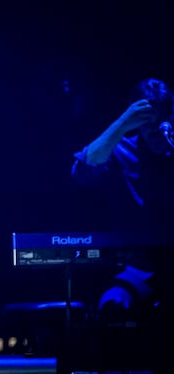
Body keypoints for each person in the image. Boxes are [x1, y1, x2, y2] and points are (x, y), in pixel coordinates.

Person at [71, 77, 174, 372]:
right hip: (136, 269)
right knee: (114, 303)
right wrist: (121, 124)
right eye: (147, 123)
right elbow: (83, 169)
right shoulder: (121, 150)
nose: (155, 131)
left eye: (162, 121)